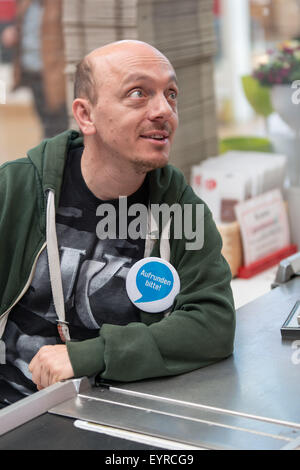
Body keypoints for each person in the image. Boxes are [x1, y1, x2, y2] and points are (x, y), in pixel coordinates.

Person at [0, 40, 235, 406]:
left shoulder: (180, 210)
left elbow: (212, 324)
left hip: (121, 412)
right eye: (139, 93)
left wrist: (89, 356)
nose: (163, 110)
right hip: (12, 409)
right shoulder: (14, 190)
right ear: (86, 115)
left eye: (171, 94)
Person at [0, 0, 68, 138]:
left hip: (53, 73)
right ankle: (47, 153)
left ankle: (53, 155)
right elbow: (23, 29)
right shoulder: (28, 4)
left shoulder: (59, 6)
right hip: (31, 70)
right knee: (43, 120)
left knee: (57, 122)